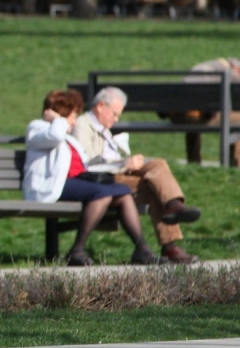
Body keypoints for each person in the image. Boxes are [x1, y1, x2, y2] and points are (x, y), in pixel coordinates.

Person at [24, 90, 160, 267]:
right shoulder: (38, 128)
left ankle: (142, 250)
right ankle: (77, 249)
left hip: (76, 182)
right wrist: (56, 119)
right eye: (72, 116)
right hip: (52, 185)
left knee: (123, 193)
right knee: (102, 193)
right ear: (61, 115)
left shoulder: (68, 138)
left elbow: (85, 164)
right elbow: (55, 136)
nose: (74, 121)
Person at [72, 87, 201, 264]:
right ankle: (169, 245)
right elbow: (86, 163)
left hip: (116, 172)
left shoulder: (102, 128)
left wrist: (128, 162)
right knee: (155, 186)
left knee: (158, 164)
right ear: (101, 106)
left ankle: (173, 205)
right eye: (115, 114)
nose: (116, 119)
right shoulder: (83, 125)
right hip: (103, 180)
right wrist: (124, 164)